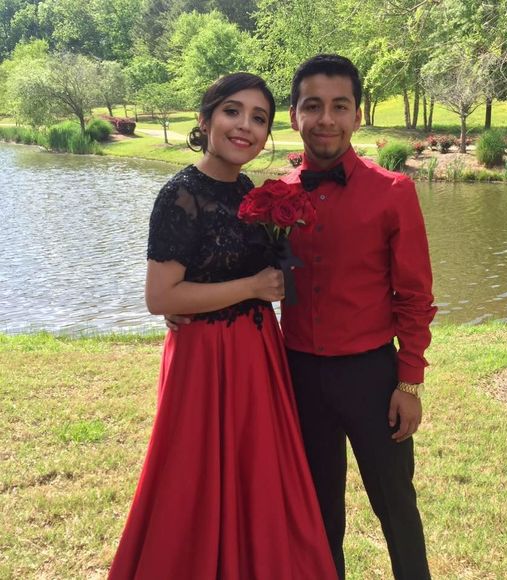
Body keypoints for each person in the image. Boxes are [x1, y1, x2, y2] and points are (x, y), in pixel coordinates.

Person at [109, 72, 337, 579]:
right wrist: (252, 287)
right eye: (233, 111)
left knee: (258, 472)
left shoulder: (247, 191)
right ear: (205, 119)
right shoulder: (180, 195)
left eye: (259, 118)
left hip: (257, 354)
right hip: (206, 359)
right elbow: (160, 297)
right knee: (196, 475)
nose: (245, 127)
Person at [278, 54, 437, 580]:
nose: (326, 119)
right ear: (294, 115)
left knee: (396, 506)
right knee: (317, 512)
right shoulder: (274, 197)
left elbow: (415, 296)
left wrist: (409, 382)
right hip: (299, 376)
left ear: (358, 115)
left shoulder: (394, 192)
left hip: (372, 377)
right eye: (312, 106)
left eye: (339, 106)